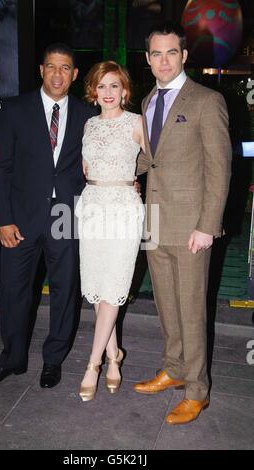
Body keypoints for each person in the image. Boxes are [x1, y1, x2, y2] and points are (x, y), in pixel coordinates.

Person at [0, 43, 94, 388]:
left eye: (65, 68)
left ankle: (53, 360)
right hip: (20, 218)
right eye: (51, 67)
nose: (58, 74)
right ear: (42, 70)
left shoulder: (88, 116)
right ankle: (11, 359)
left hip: (65, 214)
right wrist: (3, 220)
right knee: (14, 290)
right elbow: (0, 169)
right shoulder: (14, 110)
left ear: (73, 74)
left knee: (64, 289)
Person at [133, 23, 231, 424]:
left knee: (192, 310)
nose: (163, 60)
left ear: (184, 55)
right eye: (156, 54)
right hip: (156, 223)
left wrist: (207, 225)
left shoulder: (207, 100)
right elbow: (150, 159)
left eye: (171, 52)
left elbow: (219, 168)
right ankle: (174, 369)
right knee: (167, 305)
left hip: (192, 227)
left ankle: (197, 390)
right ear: (147, 59)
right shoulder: (146, 101)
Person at [75, 61, 145, 401]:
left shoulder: (137, 123)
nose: (108, 93)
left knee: (114, 286)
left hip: (123, 210)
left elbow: (159, 160)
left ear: (125, 90)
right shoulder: (88, 125)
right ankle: (114, 357)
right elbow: (86, 167)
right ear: (93, 91)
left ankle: (93, 365)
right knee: (100, 288)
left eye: (114, 86)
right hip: (91, 207)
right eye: (101, 86)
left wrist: (138, 183)